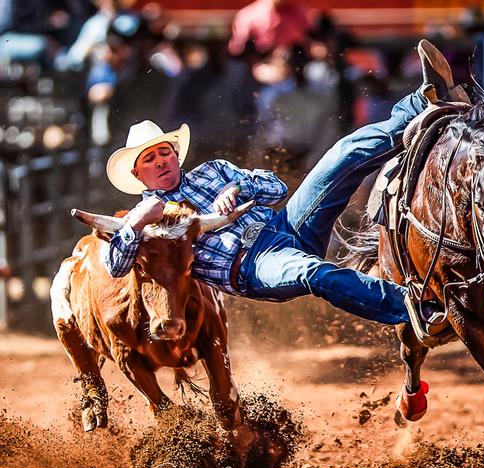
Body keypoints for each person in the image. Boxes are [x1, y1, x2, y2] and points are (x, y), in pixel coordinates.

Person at [103, 40, 459, 333]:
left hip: (285, 225)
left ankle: (428, 100)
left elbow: (276, 189)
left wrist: (239, 189)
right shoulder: (145, 219)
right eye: (149, 160)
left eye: (164, 152)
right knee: (313, 272)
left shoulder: (212, 171)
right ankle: (419, 312)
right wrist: (134, 225)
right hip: (253, 266)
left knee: (342, 153)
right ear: (138, 176)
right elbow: (115, 267)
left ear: (176, 155)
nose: (161, 161)